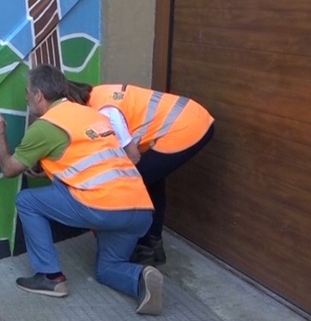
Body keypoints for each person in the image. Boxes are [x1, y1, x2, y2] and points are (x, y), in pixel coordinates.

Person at [0, 64, 163, 315]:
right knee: (108, 268)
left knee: (27, 201)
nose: (26, 98)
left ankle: (50, 277)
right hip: (140, 210)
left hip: (102, 207)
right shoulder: (91, 114)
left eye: (28, 93)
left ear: (38, 95)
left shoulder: (46, 125)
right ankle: (141, 278)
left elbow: (9, 169)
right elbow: (86, 159)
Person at [67, 81, 215, 266]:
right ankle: (152, 246)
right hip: (192, 117)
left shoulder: (104, 111)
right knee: (152, 182)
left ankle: (139, 248)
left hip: (187, 127)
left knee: (135, 185)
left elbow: (133, 156)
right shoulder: (99, 94)